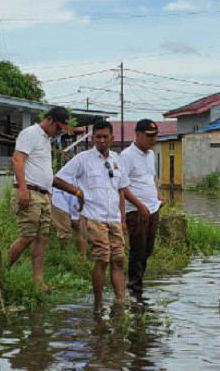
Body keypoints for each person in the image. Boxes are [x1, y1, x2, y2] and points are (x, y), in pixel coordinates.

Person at [57, 119, 127, 309]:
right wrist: (78, 193)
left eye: (105, 136)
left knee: (119, 260)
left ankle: (121, 301)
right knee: (102, 259)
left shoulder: (117, 160)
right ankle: (98, 305)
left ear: (112, 138)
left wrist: (123, 220)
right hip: (94, 217)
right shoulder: (83, 159)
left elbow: (121, 191)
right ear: (93, 138)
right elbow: (57, 179)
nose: (102, 140)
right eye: (98, 137)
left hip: (114, 218)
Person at [7, 106, 74, 290]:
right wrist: (23, 188)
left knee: (42, 237)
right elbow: (17, 159)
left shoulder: (45, 139)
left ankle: (38, 281)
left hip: (43, 194)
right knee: (26, 236)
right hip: (30, 192)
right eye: (58, 128)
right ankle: (0, 273)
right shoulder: (31, 133)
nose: (59, 132)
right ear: (50, 119)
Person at [119, 119, 162, 296]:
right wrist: (139, 204)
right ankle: (135, 286)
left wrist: (158, 197)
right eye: (149, 136)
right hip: (135, 210)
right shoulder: (126, 156)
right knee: (138, 249)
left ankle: (137, 282)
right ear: (138, 135)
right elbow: (122, 186)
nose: (153, 140)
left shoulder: (151, 155)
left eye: (155, 136)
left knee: (148, 249)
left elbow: (150, 178)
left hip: (152, 208)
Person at [51, 181, 87, 256]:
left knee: (80, 230)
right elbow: (75, 202)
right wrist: (75, 218)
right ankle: (64, 255)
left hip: (67, 199)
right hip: (59, 200)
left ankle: (79, 254)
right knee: (65, 228)